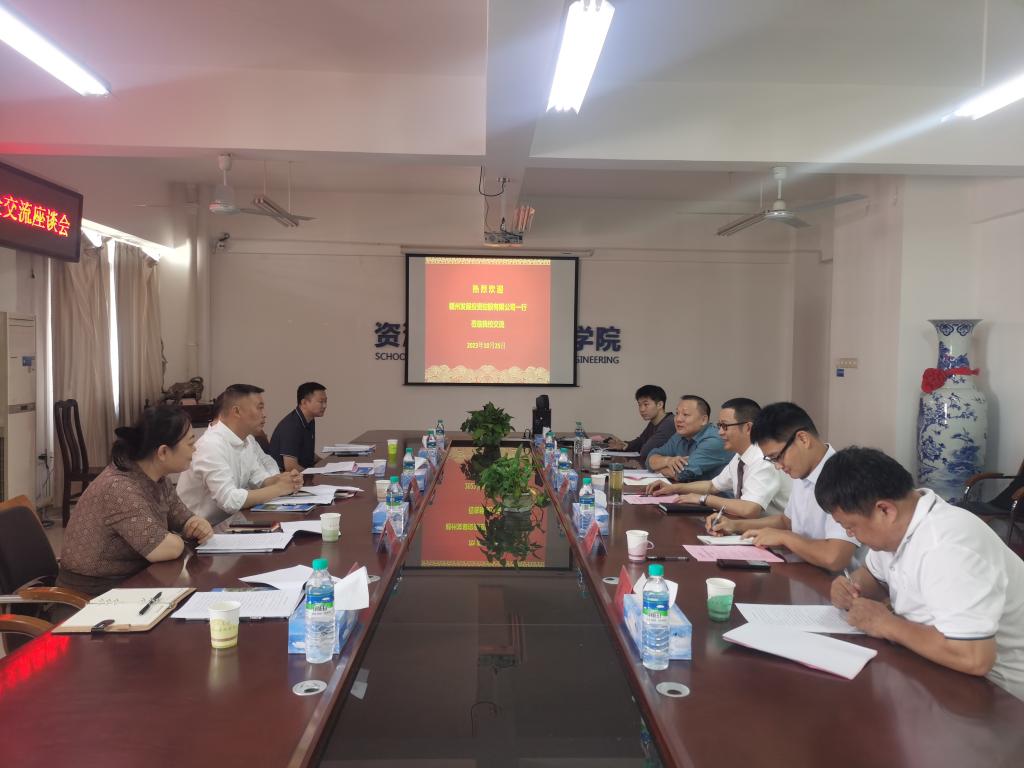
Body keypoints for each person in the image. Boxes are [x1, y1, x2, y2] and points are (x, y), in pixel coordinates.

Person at [821, 447, 1024, 701]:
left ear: (885, 510)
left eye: (851, 526)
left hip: (1002, 693)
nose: (851, 535)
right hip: (939, 668)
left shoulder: (946, 547)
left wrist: (884, 623)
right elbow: (873, 577)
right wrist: (850, 587)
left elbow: (974, 657)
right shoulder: (901, 526)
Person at [57, 406, 214, 596]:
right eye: (190, 443)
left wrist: (196, 524)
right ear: (163, 452)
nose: (194, 449)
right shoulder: (119, 487)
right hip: (92, 595)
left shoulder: (157, 478)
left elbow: (182, 518)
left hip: (132, 582)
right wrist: (179, 539)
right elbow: (163, 549)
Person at [708, 401, 859, 572]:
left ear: (803, 439)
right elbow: (787, 522)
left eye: (777, 456)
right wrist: (735, 526)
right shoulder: (803, 470)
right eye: (771, 459)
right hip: (801, 571)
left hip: (833, 580)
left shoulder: (843, 476)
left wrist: (784, 537)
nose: (778, 466)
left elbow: (834, 558)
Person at [177, 384, 303, 524]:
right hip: (200, 530)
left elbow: (259, 480)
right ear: (237, 411)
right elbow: (229, 500)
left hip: (229, 523)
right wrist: (279, 488)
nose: (264, 414)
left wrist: (284, 480)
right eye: (259, 408)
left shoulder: (246, 440)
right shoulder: (211, 445)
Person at [650, 398, 790, 518]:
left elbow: (749, 509)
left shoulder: (763, 459)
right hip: (749, 527)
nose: (720, 432)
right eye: (719, 426)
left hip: (775, 536)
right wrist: (673, 488)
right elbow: (712, 486)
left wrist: (703, 499)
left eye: (725, 426)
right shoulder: (740, 456)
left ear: (748, 428)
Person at [645, 395, 732, 482]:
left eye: (685, 414)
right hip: (688, 489)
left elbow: (683, 474)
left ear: (703, 420)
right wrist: (668, 460)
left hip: (715, 491)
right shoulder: (680, 435)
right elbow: (650, 459)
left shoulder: (714, 440)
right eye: (677, 413)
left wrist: (658, 469)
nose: (678, 419)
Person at [605, 385, 676, 462]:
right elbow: (641, 441)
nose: (642, 409)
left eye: (646, 404)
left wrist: (633, 446)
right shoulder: (654, 421)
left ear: (660, 405)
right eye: (640, 405)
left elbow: (646, 451)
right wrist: (625, 445)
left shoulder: (669, 423)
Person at [270, 382, 327, 471]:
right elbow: (290, 467)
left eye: (325, 401)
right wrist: (315, 474)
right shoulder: (291, 426)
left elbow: (307, 453)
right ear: (304, 402)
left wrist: (326, 465)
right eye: (321, 402)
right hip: (285, 476)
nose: (325, 406)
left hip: (303, 473)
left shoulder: (309, 419)